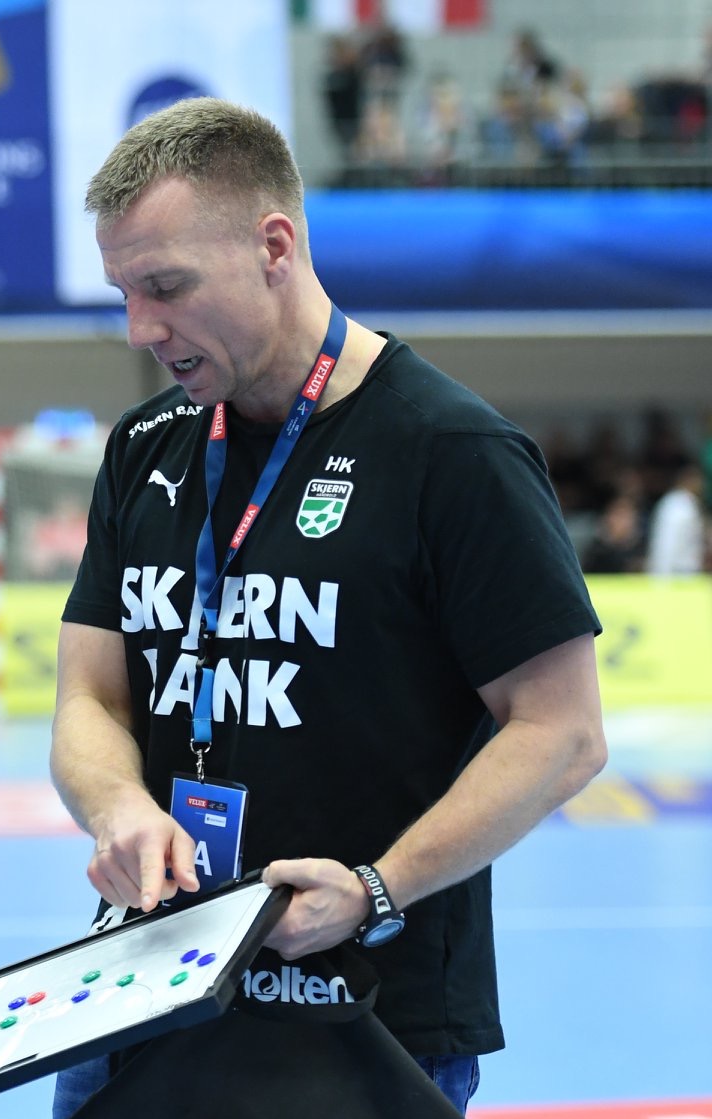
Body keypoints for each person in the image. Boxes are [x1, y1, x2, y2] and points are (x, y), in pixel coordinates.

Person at [48, 98, 605, 1116]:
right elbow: (91, 697)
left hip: (368, 1013)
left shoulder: (452, 453)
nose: (141, 329)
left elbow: (562, 731)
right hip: (148, 994)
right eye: (125, 293)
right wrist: (118, 806)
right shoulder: (142, 447)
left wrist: (378, 885)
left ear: (274, 247)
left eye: (166, 287)